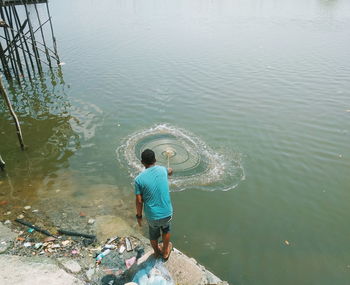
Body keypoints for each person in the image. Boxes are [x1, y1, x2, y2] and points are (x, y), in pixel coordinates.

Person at [135, 149, 173, 260]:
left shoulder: (138, 180)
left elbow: (139, 201)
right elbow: (170, 171)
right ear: (155, 160)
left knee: (153, 234)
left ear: (142, 162)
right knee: (166, 230)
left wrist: (139, 216)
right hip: (167, 213)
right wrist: (170, 171)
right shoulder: (162, 170)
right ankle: (165, 252)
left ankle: (156, 252)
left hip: (152, 216)